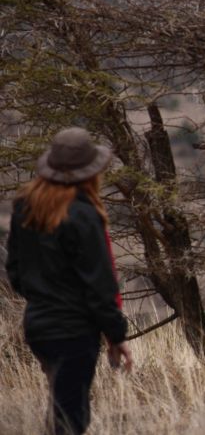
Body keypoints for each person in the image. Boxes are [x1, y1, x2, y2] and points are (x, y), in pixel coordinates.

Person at [4, 127, 133, 435]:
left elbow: (15, 272)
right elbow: (100, 284)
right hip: (75, 331)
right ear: (89, 172)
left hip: (37, 326)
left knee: (61, 409)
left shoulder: (25, 207)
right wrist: (116, 334)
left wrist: (44, 298)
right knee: (71, 419)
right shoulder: (84, 215)